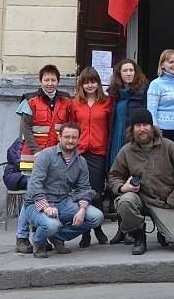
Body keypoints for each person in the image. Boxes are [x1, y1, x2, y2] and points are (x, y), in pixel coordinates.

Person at [109, 108, 174, 255]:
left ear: (152, 127)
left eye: (145, 125)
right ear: (132, 129)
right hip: (138, 199)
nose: (142, 129)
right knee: (125, 202)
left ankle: (163, 232)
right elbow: (114, 176)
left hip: (163, 201)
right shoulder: (126, 150)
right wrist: (122, 187)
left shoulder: (168, 146)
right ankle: (138, 236)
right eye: (137, 126)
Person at [14, 64, 72, 254]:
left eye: (53, 80)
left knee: (50, 198)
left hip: (56, 158)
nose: (49, 83)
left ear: (58, 81)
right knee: (31, 197)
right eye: (46, 80)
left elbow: (68, 128)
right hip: (34, 157)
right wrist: (36, 150)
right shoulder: (29, 100)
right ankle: (21, 238)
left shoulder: (66, 101)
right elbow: (26, 129)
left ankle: (44, 236)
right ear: (40, 81)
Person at [23, 122, 104, 258]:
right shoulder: (46, 155)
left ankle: (58, 237)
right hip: (36, 204)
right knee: (51, 224)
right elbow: (34, 184)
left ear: (79, 139)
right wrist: (46, 207)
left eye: (74, 137)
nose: (70, 140)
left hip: (63, 202)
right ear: (59, 137)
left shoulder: (81, 161)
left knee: (96, 217)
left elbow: (84, 188)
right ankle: (39, 243)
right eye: (67, 137)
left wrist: (82, 209)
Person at [107, 58, 148, 245]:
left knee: (133, 185)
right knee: (118, 184)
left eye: (132, 70)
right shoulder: (114, 94)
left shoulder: (142, 92)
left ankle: (134, 230)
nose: (129, 73)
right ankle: (121, 229)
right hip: (116, 142)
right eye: (125, 71)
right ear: (119, 74)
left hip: (133, 144)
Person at [69, 67, 111, 248]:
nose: (90, 85)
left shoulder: (107, 102)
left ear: (98, 83)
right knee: (81, 194)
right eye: (86, 82)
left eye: (93, 81)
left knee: (96, 194)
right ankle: (84, 233)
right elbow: (70, 127)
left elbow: (110, 127)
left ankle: (98, 228)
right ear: (81, 84)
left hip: (98, 153)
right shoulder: (75, 104)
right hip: (80, 153)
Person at [147, 49, 174, 151]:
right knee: (164, 163)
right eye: (171, 62)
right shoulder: (155, 84)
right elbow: (151, 111)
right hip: (163, 130)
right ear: (162, 65)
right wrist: (155, 129)